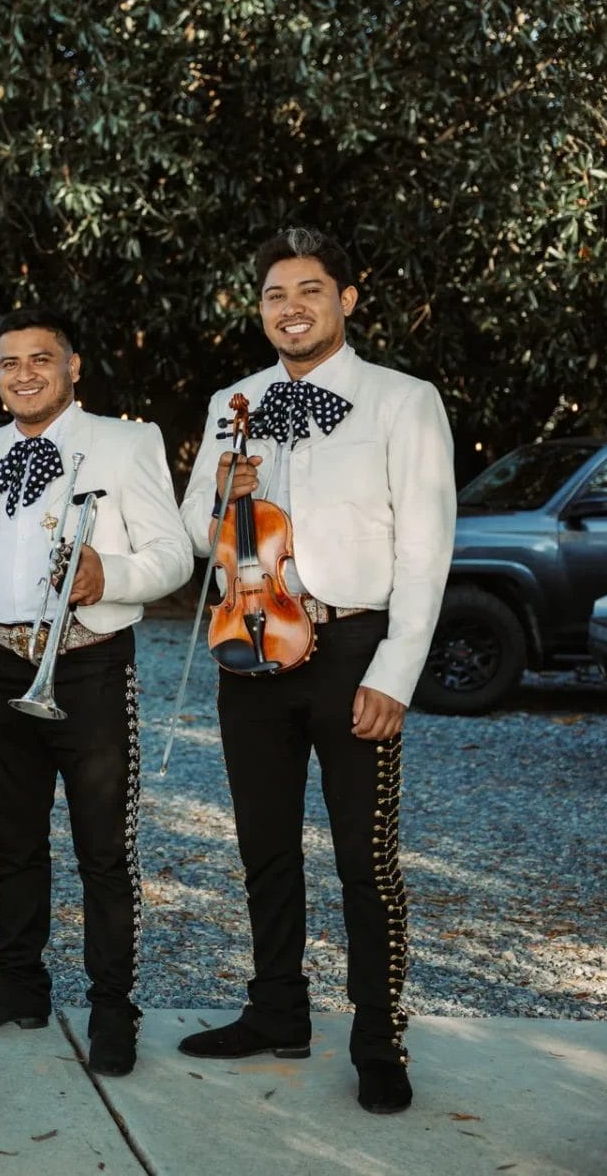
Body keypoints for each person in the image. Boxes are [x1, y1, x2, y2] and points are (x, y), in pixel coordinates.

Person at [175, 227, 456, 1114]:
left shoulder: (401, 401)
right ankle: (277, 1012)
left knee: (365, 859)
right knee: (264, 846)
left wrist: (396, 672)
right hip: (248, 642)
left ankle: (379, 1038)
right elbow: (196, 533)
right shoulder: (233, 399)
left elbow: (426, 548)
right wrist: (224, 490)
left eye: (309, 291)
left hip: (351, 650)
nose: (290, 308)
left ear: (346, 299)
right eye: (274, 296)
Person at [0, 307, 189, 1077]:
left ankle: (113, 1007)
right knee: (14, 845)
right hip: (7, 665)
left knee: (104, 852)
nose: (25, 373)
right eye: (10, 362)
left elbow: (172, 554)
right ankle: (19, 986)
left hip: (92, 663)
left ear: (74, 365)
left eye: (42, 358)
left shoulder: (128, 441)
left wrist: (115, 573)